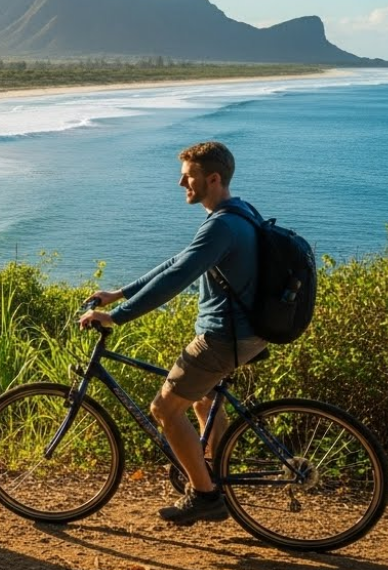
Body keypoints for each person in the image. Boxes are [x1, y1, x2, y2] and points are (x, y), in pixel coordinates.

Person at [79, 141, 266, 525]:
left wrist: (117, 316)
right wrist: (121, 292)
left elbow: (179, 278)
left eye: (189, 176)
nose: (181, 182)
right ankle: (212, 474)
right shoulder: (239, 212)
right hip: (245, 333)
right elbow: (177, 261)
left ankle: (205, 495)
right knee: (201, 402)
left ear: (212, 179)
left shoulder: (222, 225)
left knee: (164, 409)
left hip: (222, 337)